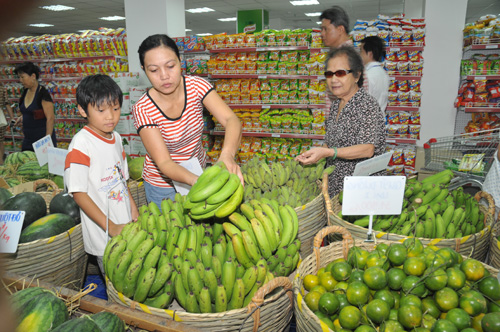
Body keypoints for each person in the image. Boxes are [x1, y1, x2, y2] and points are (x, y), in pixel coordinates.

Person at [132, 34, 242, 208]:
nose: (164, 76)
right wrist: (197, 181)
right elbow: (164, 162)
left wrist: (227, 155)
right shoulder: (143, 108)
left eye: (170, 66)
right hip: (162, 184)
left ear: (180, 61)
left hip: (197, 169)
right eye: (153, 70)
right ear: (144, 69)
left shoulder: (197, 86)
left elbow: (231, 120)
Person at [64, 74, 139, 276]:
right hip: (104, 233)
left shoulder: (116, 139)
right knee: (116, 280)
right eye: (101, 110)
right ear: (82, 110)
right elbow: (78, 193)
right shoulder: (81, 144)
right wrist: (111, 227)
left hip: (124, 225)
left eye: (115, 108)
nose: (110, 116)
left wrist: (133, 210)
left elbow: (121, 180)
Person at [296, 46, 386, 198]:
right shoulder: (337, 104)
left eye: (340, 73)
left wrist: (328, 152)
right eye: (329, 74)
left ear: (357, 75)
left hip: (361, 191)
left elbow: (367, 148)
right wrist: (313, 154)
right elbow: (330, 143)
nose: (333, 79)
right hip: (337, 188)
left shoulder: (366, 104)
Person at [12, 62, 57, 151]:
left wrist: (46, 142)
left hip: (42, 139)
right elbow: (33, 112)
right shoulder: (25, 92)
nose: (20, 80)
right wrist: (22, 118)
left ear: (33, 76)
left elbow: (50, 118)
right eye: (19, 77)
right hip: (28, 139)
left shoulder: (42, 94)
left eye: (22, 77)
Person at [360, 36, 390, 114]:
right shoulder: (384, 74)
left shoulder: (367, 75)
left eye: (361, 51)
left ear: (370, 54)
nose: (359, 55)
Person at [0, 85, 15, 164]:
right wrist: (12, 118)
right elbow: (7, 104)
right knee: (0, 142)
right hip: (1, 118)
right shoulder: (2, 88)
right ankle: (1, 164)